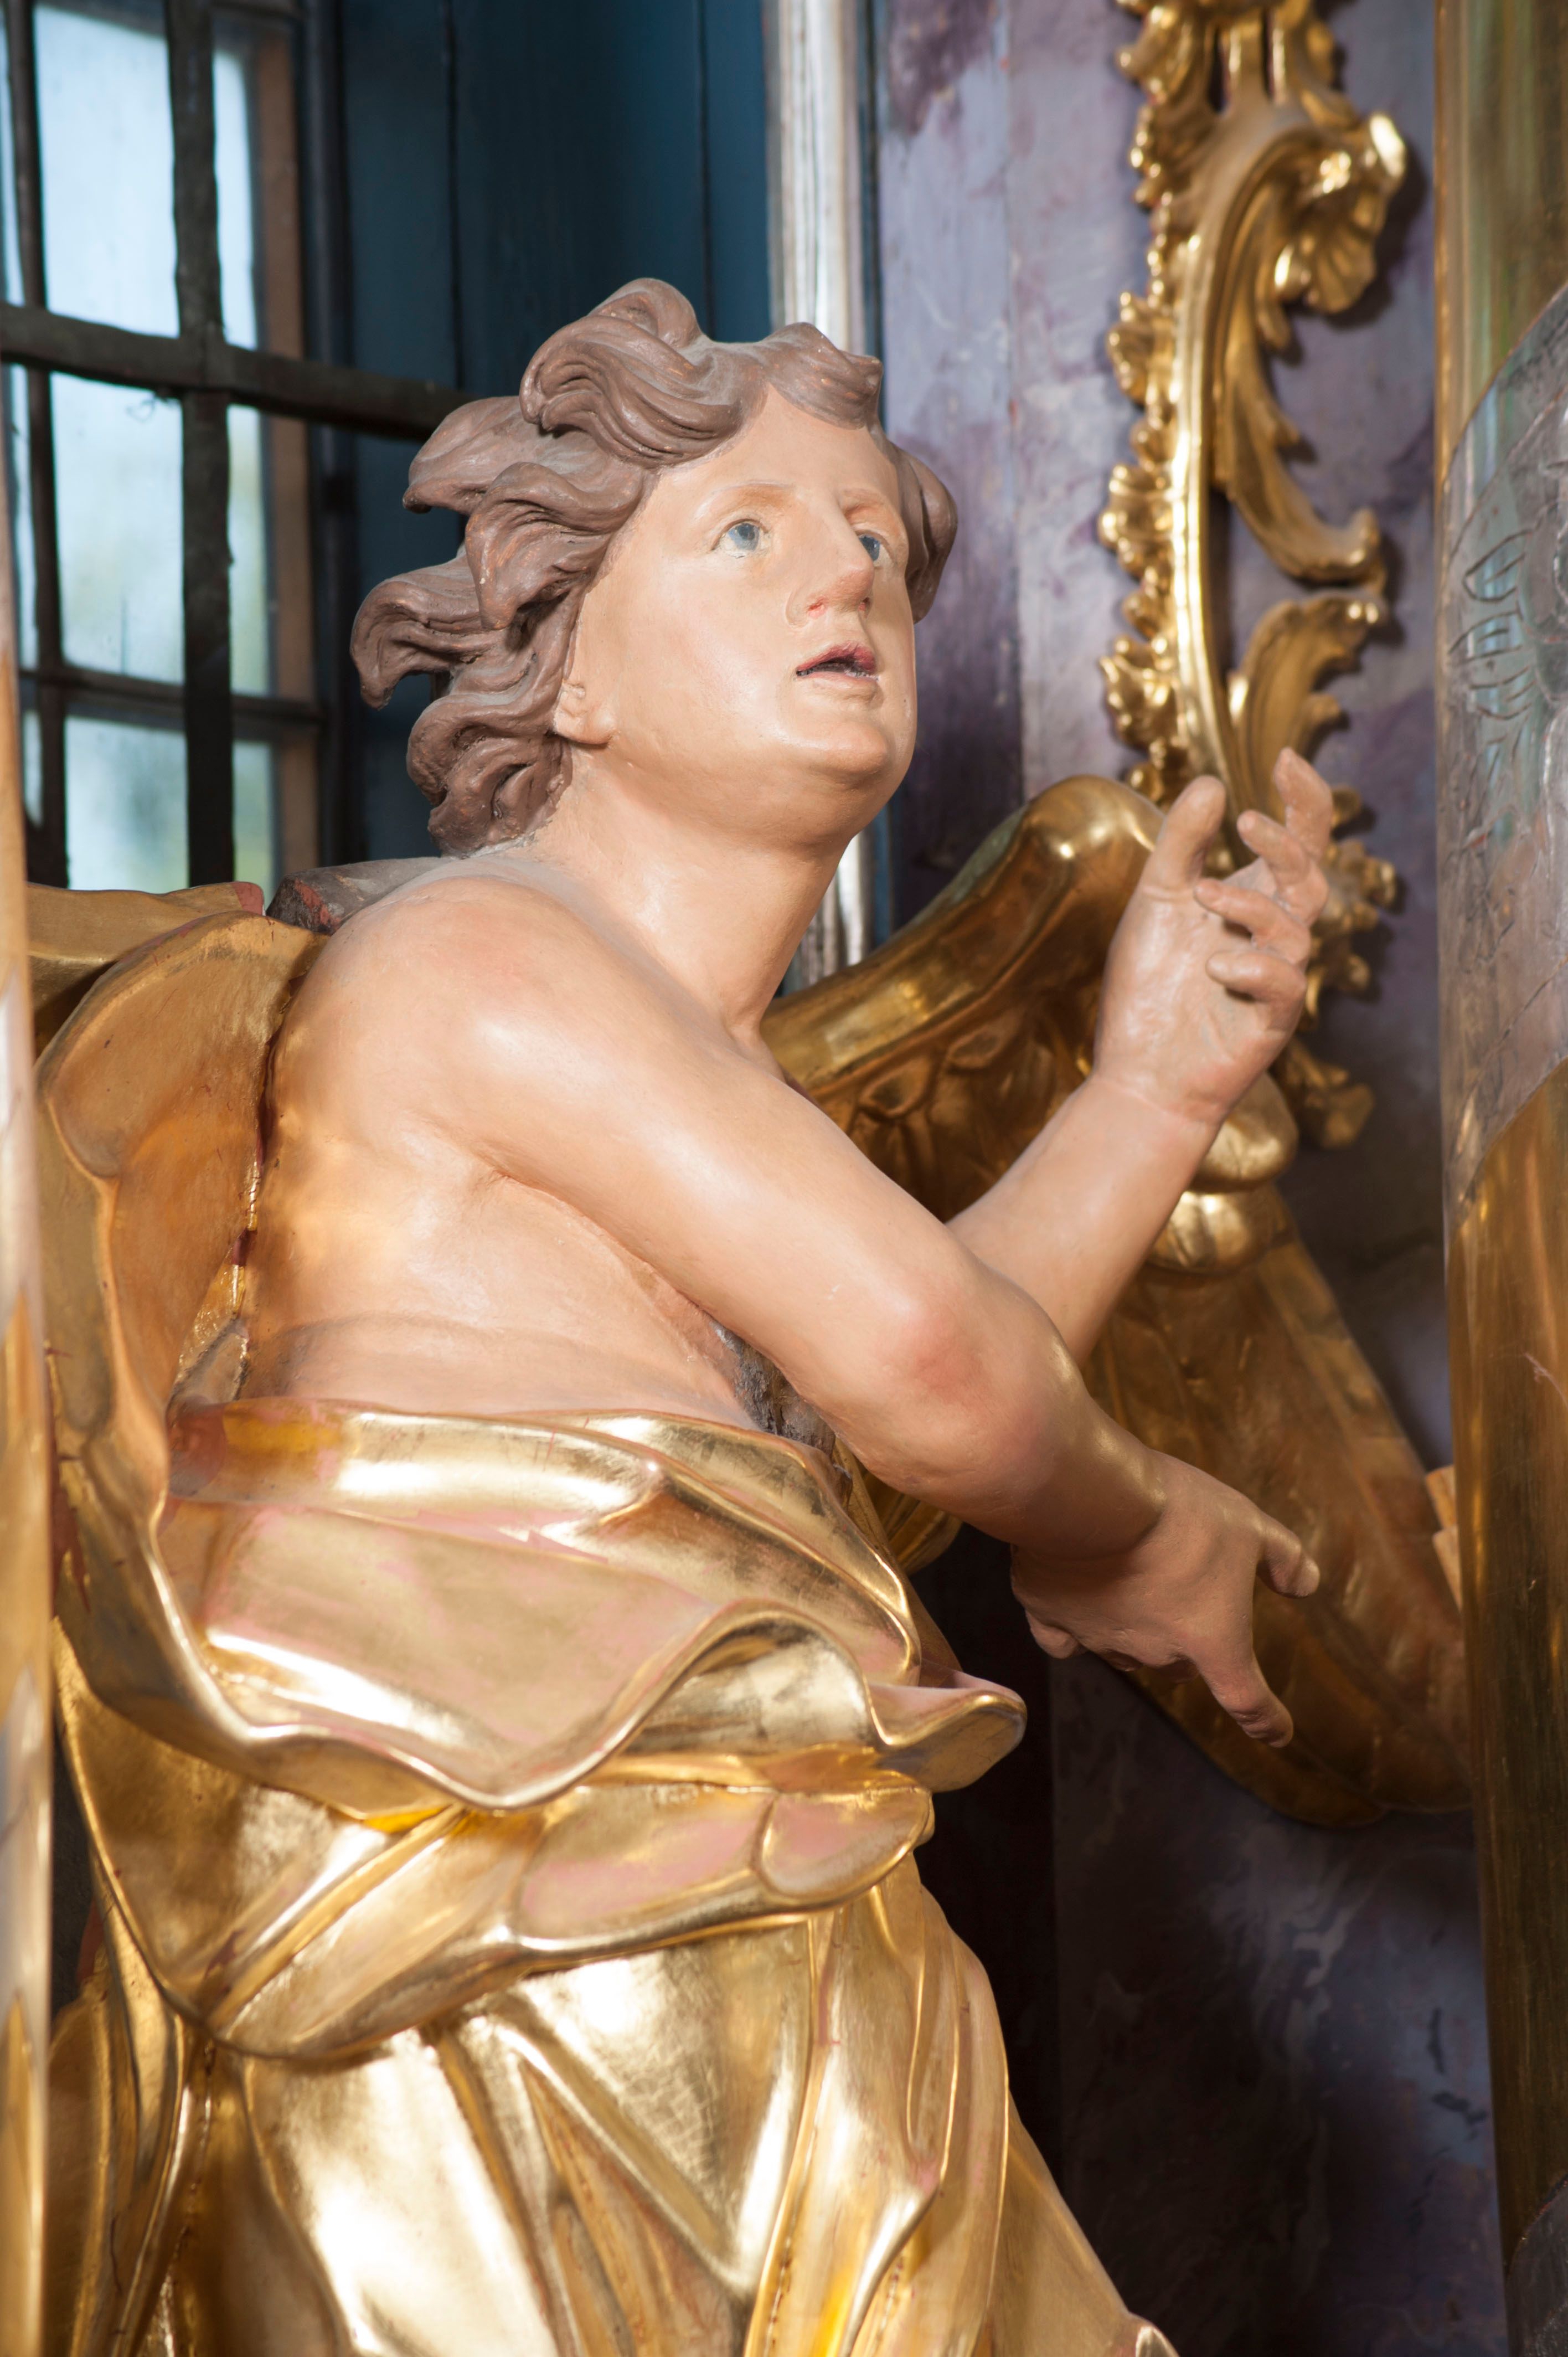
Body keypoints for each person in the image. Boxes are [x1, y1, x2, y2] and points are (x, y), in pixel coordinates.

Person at [47, 280, 1332, 2355]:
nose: (847, 573)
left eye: (874, 541)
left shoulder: (693, 1071)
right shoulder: (476, 958)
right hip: (506, 1980)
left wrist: (1152, 1095)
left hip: (728, 1922)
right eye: (750, 531)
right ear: (571, 674)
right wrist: (1141, 1521)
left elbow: (865, 1423)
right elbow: (935, 1376)